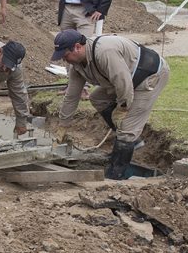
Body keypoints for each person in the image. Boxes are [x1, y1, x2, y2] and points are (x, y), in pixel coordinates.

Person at [52, 29, 170, 180]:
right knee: (97, 98)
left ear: (77, 47)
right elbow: (72, 96)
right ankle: (131, 144)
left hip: (149, 75)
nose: (64, 60)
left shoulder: (104, 52)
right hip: (128, 77)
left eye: (65, 55)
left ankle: (116, 174)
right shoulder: (76, 65)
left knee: (127, 128)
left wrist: (122, 108)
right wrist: (63, 125)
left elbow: (123, 83)